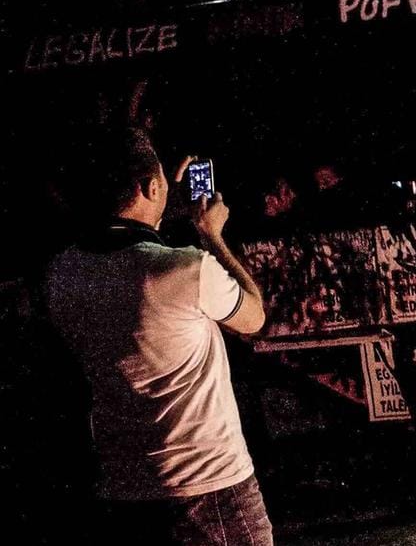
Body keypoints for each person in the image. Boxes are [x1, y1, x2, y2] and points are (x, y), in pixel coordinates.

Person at [46, 131, 273, 544]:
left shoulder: (62, 273)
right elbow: (254, 316)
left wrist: (157, 212)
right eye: (161, 182)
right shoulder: (187, 269)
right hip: (210, 487)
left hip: (126, 490)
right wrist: (211, 234)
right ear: (150, 187)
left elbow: (129, 255)